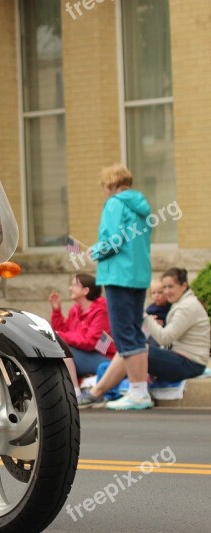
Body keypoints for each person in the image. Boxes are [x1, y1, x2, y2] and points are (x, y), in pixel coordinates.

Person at [81, 268, 210, 409]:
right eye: (165, 287)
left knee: (133, 351)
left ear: (184, 286)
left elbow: (165, 338)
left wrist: (144, 316)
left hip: (190, 364)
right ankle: (99, 393)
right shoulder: (182, 304)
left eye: (171, 287)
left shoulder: (187, 306)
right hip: (185, 360)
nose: (167, 291)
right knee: (128, 351)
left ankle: (96, 394)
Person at [78, 164, 152, 410]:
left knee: (122, 334)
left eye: (104, 185)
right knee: (135, 332)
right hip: (139, 276)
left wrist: (95, 250)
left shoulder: (114, 203)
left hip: (118, 276)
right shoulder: (140, 205)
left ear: (110, 184)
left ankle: (137, 392)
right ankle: (140, 390)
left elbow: (114, 240)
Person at [49, 274, 116, 396]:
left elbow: (91, 342)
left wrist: (60, 336)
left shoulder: (102, 310)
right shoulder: (75, 310)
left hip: (104, 358)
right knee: (56, 348)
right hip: (83, 356)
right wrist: (56, 311)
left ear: (86, 290)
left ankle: (75, 393)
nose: (70, 288)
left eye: (75, 285)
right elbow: (63, 331)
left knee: (63, 349)